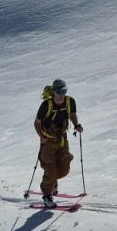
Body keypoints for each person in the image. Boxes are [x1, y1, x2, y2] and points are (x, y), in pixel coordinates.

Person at [33, 78, 82, 207]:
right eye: (59, 91)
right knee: (50, 170)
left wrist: (76, 125)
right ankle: (47, 194)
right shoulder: (46, 105)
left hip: (62, 139)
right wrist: (41, 136)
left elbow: (72, 114)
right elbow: (37, 123)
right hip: (48, 140)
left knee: (64, 167)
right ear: (53, 91)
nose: (61, 94)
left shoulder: (70, 101)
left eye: (64, 90)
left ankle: (53, 181)